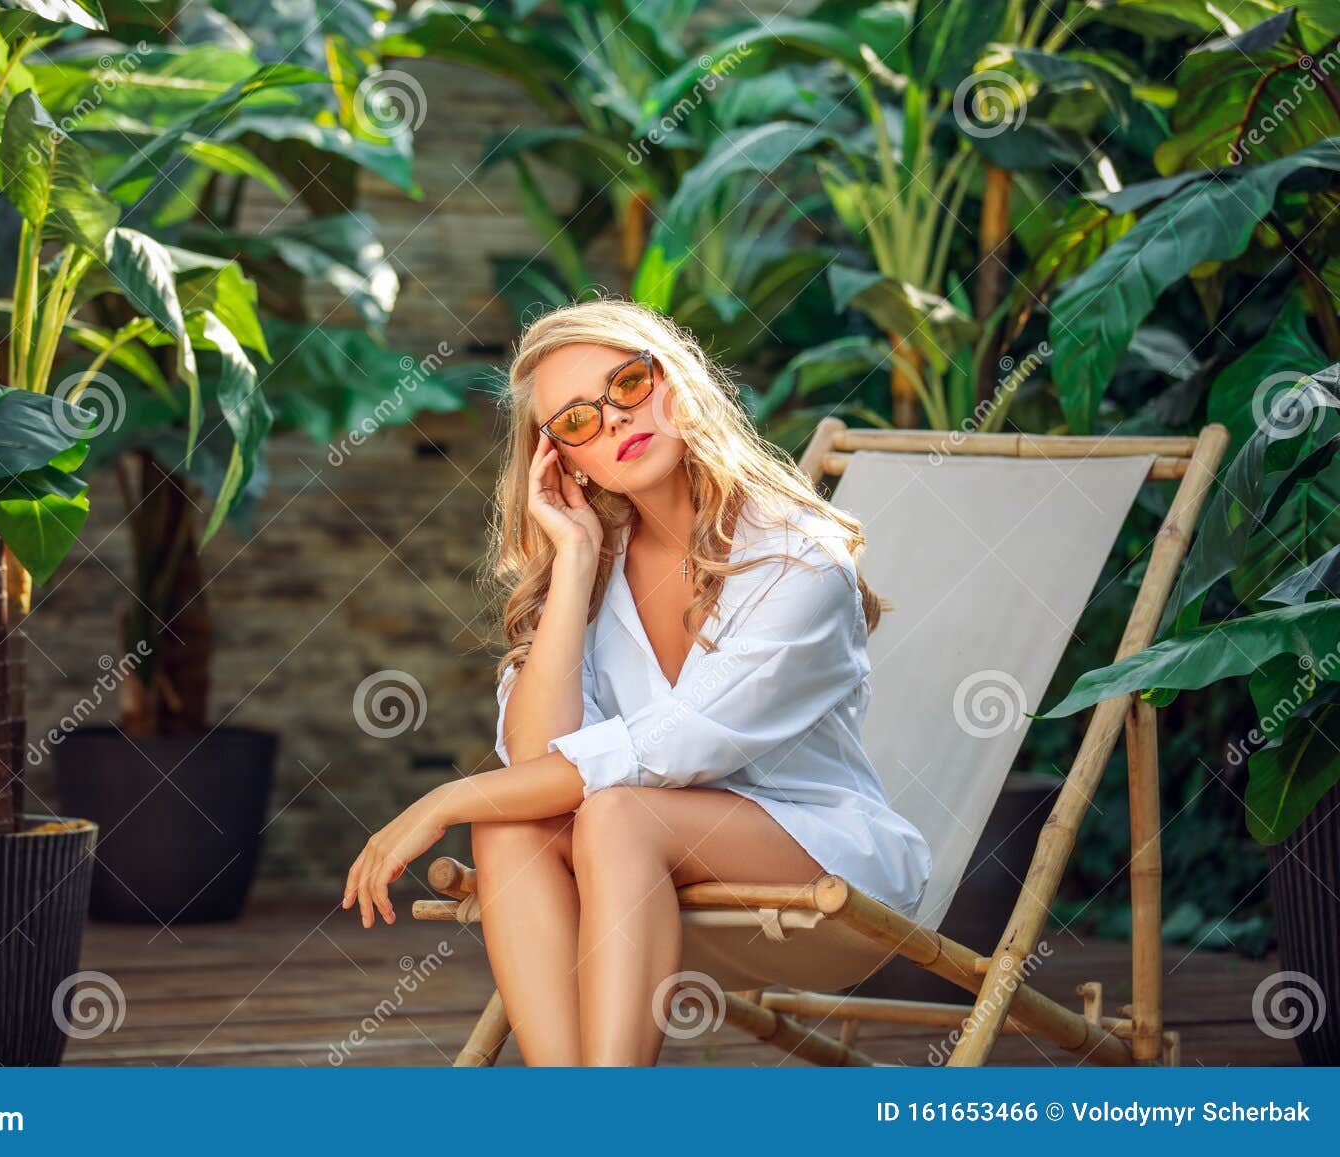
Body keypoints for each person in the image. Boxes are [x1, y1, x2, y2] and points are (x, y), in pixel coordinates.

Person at [341, 298, 931, 1065]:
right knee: (510, 822)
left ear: (674, 379)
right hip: (644, 874)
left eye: (626, 383)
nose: (614, 420)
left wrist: (444, 798)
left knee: (615, 813)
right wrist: (577, 559)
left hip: (824, 870)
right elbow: (537, 761)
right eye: (577, 421)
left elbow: (673, 749)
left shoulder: (795, 558)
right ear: (560, 458)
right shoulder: (594, 568)